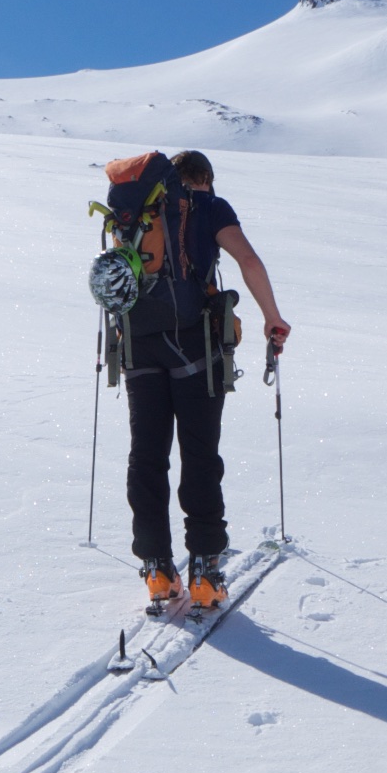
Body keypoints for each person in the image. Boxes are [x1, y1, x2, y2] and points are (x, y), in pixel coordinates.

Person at [124, 150, 291, 613]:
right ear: (206, 180)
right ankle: (204, 573)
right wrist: (272, 318)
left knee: (147, 455)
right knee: (198, 452)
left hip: (138, 345)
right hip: (194, 347)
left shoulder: (140, 213)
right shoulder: (211, 208)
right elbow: (248, 261)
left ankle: (157, 570)